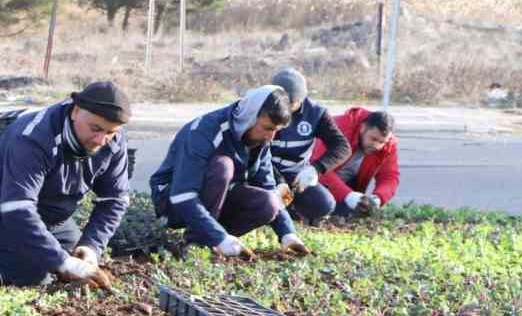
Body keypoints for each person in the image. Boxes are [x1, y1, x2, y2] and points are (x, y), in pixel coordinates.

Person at [0, 81, 133, 287]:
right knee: (32, 274)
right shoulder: (33, 139)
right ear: (76, 111)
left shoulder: (112, 142)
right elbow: (18, 210)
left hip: (48, 212)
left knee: (73, 260)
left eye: (110, 132)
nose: (100, 140)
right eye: (95, 128)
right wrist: (60, 261)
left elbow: (114, 200)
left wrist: (91, 247)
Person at [148, 85, 308, 259]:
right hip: (172, 200)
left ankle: (216, 241)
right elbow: (182, 195)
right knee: (223, 166)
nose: (271, 137)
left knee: (269, 203)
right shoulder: (204, 132)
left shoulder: (259, 139)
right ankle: (197, 243)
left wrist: (287, 234)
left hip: (215, 201)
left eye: (276, 131)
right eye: (267, 128)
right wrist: (219, 237)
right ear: (249, 117)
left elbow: (269, 186)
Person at [265, 67, 351, 225]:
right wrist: (278, 180)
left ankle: (290, 212)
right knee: (265, 202)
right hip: (263, 171)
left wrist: (316, 169)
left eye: (292, 103)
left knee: (324, 204)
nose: (287, 108)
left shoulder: (316, 114)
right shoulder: (262, 108)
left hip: (295, 175)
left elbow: (342, 146)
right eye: (283, 103)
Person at [312, 107, 399, 215]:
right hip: (314, 179)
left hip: (348, 187)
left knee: (356, 212)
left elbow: (389, 176)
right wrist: (348, 195)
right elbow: (319, 167)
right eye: (373, 139)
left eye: (382, 142)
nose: (376, 146)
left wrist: (378, 198)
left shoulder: (388, 144)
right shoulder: (338, 128)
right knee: (325, 206)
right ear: (363, 128)